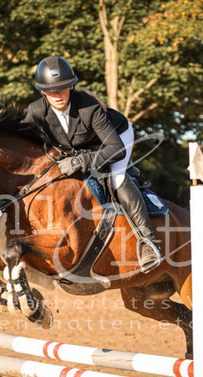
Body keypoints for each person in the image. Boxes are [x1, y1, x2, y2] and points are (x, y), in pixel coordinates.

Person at [23, 56, 162, 273]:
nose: (58, 95)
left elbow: (116, 149)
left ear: (71, 86)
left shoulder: (90, 108)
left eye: (62, 88)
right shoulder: (35, 112)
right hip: (80, 146)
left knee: (116, 177)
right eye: (51, 91)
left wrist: (80, 161)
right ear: (42, 92)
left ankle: (148, 242)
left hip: (116, 138)